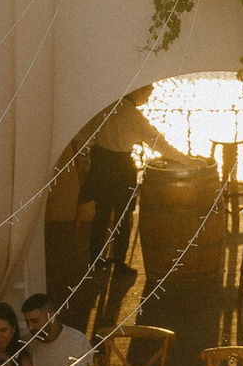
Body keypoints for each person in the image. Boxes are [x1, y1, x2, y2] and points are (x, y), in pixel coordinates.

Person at [76, 85, 191, 283]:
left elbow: (83, 136)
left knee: (101, 214)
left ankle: (95, 260)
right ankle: (119, 264)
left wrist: (85, 161)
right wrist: (186, 160)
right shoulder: (134, 117)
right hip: (121, 167)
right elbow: (160, 144)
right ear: (137, 92)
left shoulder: (107, 108)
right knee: (123, 217)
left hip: (101, 164)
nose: (147, 100)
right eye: (147, 95)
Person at [21, 294, 95, 366]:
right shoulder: (27, 340)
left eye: (35, 321)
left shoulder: (76, 340)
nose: (30, 327)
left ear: (52, 316)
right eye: (27, 322)